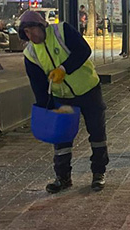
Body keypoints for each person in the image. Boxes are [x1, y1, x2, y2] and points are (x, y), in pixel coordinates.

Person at [19, 10, 109, 193]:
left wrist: (63, 68)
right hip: (62, 97)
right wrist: (47, 108)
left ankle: (98, 173)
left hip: (88, 89)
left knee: (97, 133)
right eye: (26, 32)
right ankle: (63, 177)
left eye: (32, 29)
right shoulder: (30, 53)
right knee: (61, 138)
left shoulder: (62, 31)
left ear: (42, 25)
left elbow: (84, 50)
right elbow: (38, 84)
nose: (30, 35)